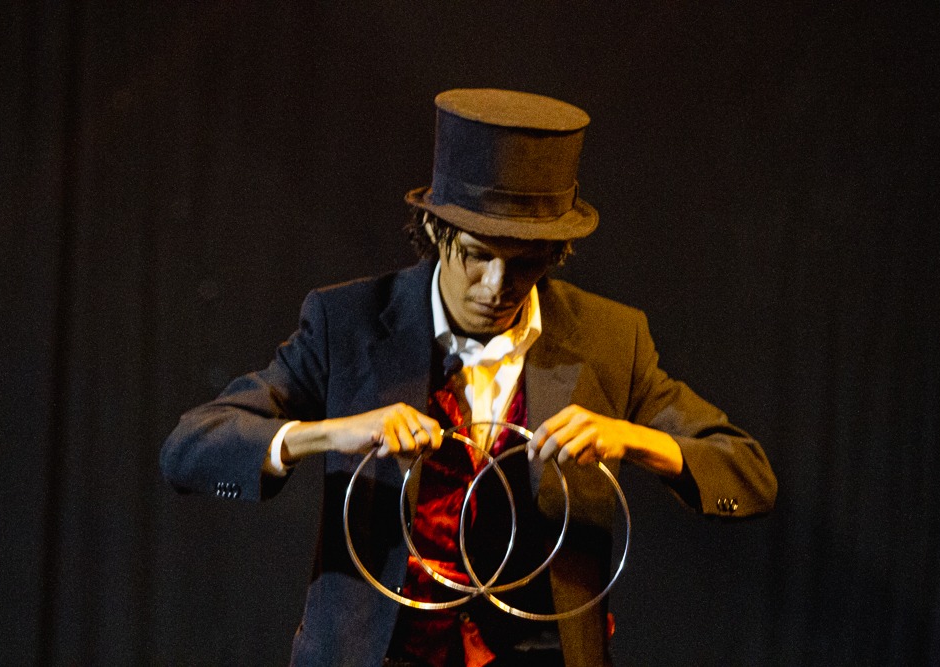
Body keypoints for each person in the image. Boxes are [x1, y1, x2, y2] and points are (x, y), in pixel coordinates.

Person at [160, 88, 777, 667]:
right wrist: (329, 433)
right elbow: (189, 447)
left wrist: (635, 440)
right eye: (478, 255)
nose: (497, 287)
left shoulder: (610, 339)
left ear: (554, 255)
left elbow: (748, 475)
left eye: (524, 264)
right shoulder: (347, 323)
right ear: (436, 231)